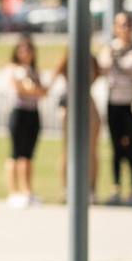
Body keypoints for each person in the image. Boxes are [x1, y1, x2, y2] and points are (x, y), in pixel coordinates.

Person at [97, 11, 132, 206]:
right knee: (116, 147)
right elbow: (100, 70)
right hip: (114, 103)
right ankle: (116, 188)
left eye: (127, 25)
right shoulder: (109, 49)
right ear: (114, 28)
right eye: (120, 25)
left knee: (131, 146)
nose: (124, 29)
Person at [51, 49, 100, 204]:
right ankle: (67, 189)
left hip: (87, 102)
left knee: (91, 150)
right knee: (67, 149)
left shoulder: (91, 59)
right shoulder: (66, 57)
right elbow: (53, 77)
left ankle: (91, 190)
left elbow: (98, 75)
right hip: (69, 101)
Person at [4, 36, 47, 208]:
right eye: (22, 49)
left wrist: (33, 88)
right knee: (15, 153)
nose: (25, 53)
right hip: (19, 113)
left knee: (28, 156)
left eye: (29, 49)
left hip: (33, 113)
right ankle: (13, 192)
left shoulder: (34, 71)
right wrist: (32, 88)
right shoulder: (13, 69)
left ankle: (27, 191)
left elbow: (42, 92)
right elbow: (18, 88)